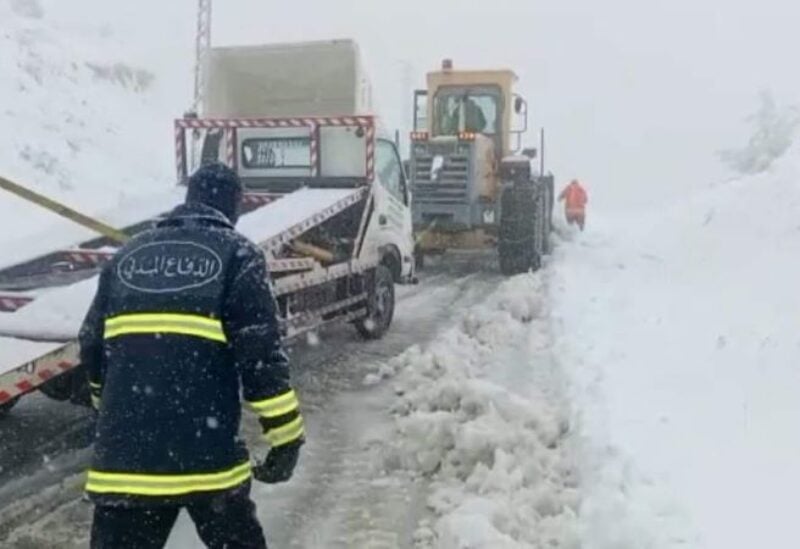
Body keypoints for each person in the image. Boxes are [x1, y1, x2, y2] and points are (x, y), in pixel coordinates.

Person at [80, 163, 304, 549]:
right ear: (234, 207)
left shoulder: (126, 256)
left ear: (189, 200)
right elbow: (261, 356)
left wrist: (112, 409)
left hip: (123, 467)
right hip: (207, 463)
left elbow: (91, 344)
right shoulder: (239, 255)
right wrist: (286, 437)